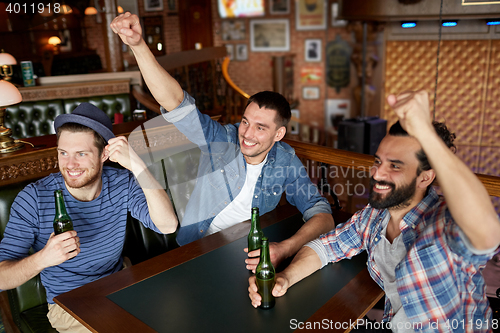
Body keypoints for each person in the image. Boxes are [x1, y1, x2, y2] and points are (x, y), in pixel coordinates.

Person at [249, 90, 500, 332]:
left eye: (396, 166)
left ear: (425, 177)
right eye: (378, 161)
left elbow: (487, 232)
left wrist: (424, 131)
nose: (378, 173)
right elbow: (326, 247)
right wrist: (284, 278)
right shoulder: (374, 216)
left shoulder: (442, 223)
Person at [110, 12, 335, 271]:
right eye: (246, 121)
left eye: (261, 127)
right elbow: (176, 104)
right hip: (197, 252)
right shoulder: (223, 139)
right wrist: (138, 45)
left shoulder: (284, 159)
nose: (247, 133)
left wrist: (286, 248)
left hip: (243, 255)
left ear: (278, 135)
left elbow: (321, 213)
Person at [0, 103, 178, 332]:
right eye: (63, 153)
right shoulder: (33, 199)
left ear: (104, 154)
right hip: (70, 304)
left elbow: (168, 225)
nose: (70, 165)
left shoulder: (122, 181)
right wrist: (43, 258)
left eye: (81, 154)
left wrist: (138, 166)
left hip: (120, 284)